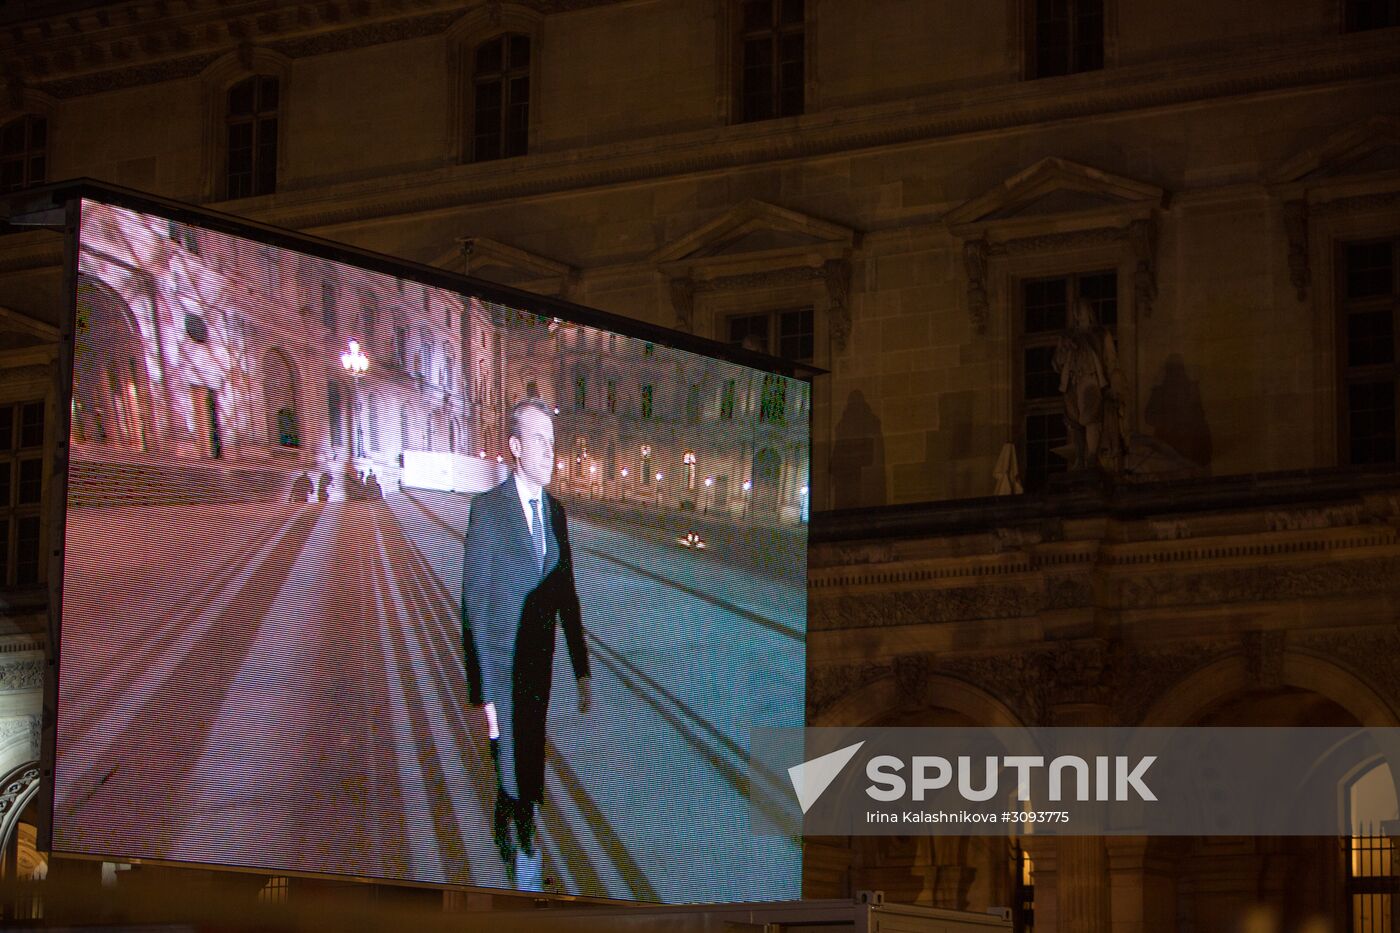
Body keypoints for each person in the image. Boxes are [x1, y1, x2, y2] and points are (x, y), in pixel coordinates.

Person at [461, 398, 591, 890]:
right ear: (516, 447)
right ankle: (521, 839)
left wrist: (581, 668)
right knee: (511, 761)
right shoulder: (488, 510)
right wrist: (485, 693)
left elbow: (566, 592)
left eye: (552, 443)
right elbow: (473, 604)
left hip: (539, 666)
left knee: (528, 755)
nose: (549, 452)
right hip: (499, 666)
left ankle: (512, 812)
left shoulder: (556, 513)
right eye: (538, 441)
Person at [1053, 297, 1127, 472]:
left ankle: (1092, 457)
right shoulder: (1067, 337)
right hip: (1072, 382)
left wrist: (1113, 386)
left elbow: (1111, 362)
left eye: (1081, 308)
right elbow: (1057, 363)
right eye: (1075, 309)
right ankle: (1080, 458)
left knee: (1091, 418)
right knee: (1075, 420)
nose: (1078, 312)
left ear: (1088, 311)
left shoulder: (1100, 334)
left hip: (1091, 380)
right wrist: (1064, 349)